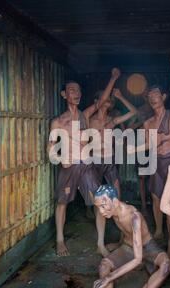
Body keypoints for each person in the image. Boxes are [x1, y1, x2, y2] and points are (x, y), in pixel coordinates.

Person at [47, 68, 121, 257]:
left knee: (99, 202)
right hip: (69, 166)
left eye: (78, 90)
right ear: (64, 94)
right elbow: (50, 147)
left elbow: (102, 100)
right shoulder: (58, 122)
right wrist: (59, 159)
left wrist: (113, 78)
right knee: (62, 203)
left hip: (87, 165)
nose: (77, 93)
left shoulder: (85, 115)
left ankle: (100, 244)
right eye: (72, 90)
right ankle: (60, 240)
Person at [128, 53, 170, 260]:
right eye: (149, 95)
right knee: (156, 198)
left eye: (156, 94)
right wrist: (130, 151)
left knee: (169, 202)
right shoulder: (147, 123)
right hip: (155, 162)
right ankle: (159, 231)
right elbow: (147, 144)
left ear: (163, 97)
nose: (152, 97)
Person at [92, 185, 170, 288]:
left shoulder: (134, 217)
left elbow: (137, 258)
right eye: (98, 207)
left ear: (114, 201)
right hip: (128, 247)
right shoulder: (112, 211)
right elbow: (124, 231)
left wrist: (109, 278)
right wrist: (118, 244)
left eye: (103, 206)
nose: (101, 211)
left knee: (166, 265)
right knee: (104, 266)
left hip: (147, 248)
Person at [89, 88, 138, 199]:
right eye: (104, 97)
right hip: (94, 159)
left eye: (109, 97)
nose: (108, 99)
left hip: (109, 159)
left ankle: (118, 214)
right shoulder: (89, 120)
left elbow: (134, 112)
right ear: (96, 101)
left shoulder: (112, 120)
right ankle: (91, 211)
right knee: (95, 191)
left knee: (116, 191)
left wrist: (120, 96)